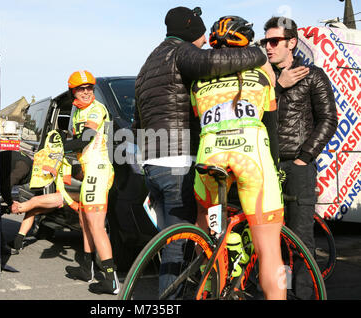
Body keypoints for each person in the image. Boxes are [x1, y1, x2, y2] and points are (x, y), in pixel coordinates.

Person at [133, 6, 268, 299]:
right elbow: (215, 62)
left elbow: (137, 121)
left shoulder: (148, 64)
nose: (207, 40)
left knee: (171, 239)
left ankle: (187, 292)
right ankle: (172, 300)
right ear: (191, 30)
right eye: (202, 33)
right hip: (178, 160)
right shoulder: (181, 52)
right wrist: (259, 54)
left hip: (152, 164)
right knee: (178, 244)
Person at [191, 15, 285, 300]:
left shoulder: (198, 81)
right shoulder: (261, 77)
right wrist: (277, 168)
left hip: (210, 158)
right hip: (251, 157)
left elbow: (198, 124)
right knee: (269, 249)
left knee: (207, 233)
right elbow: (271, 128)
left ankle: (211, 287)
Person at [11, 70, 119, 295]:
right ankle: (86, 268)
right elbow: (81, 147)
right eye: (81, 88)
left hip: (99, 171)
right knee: (84, 220)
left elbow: (87, 139)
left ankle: (111, 280)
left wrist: (57, 151)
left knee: (96, 225)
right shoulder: (77, 113)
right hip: (87, 171)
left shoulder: (96, 109)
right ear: (73, 92)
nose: (87, 92)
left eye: (89, 87)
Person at [262, 17, 337, 299]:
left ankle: (304, 295)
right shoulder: (265, 79)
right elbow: (255, 116)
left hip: (296, 167)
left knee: (301, 239)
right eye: (264, 42)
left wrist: (304, 158)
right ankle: (281, 293)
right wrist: (277, 86)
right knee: (271, 241)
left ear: (291, 42)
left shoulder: (313, 75)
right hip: (267, 167)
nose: (268, 48)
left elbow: (329, 120)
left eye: (274, 41)